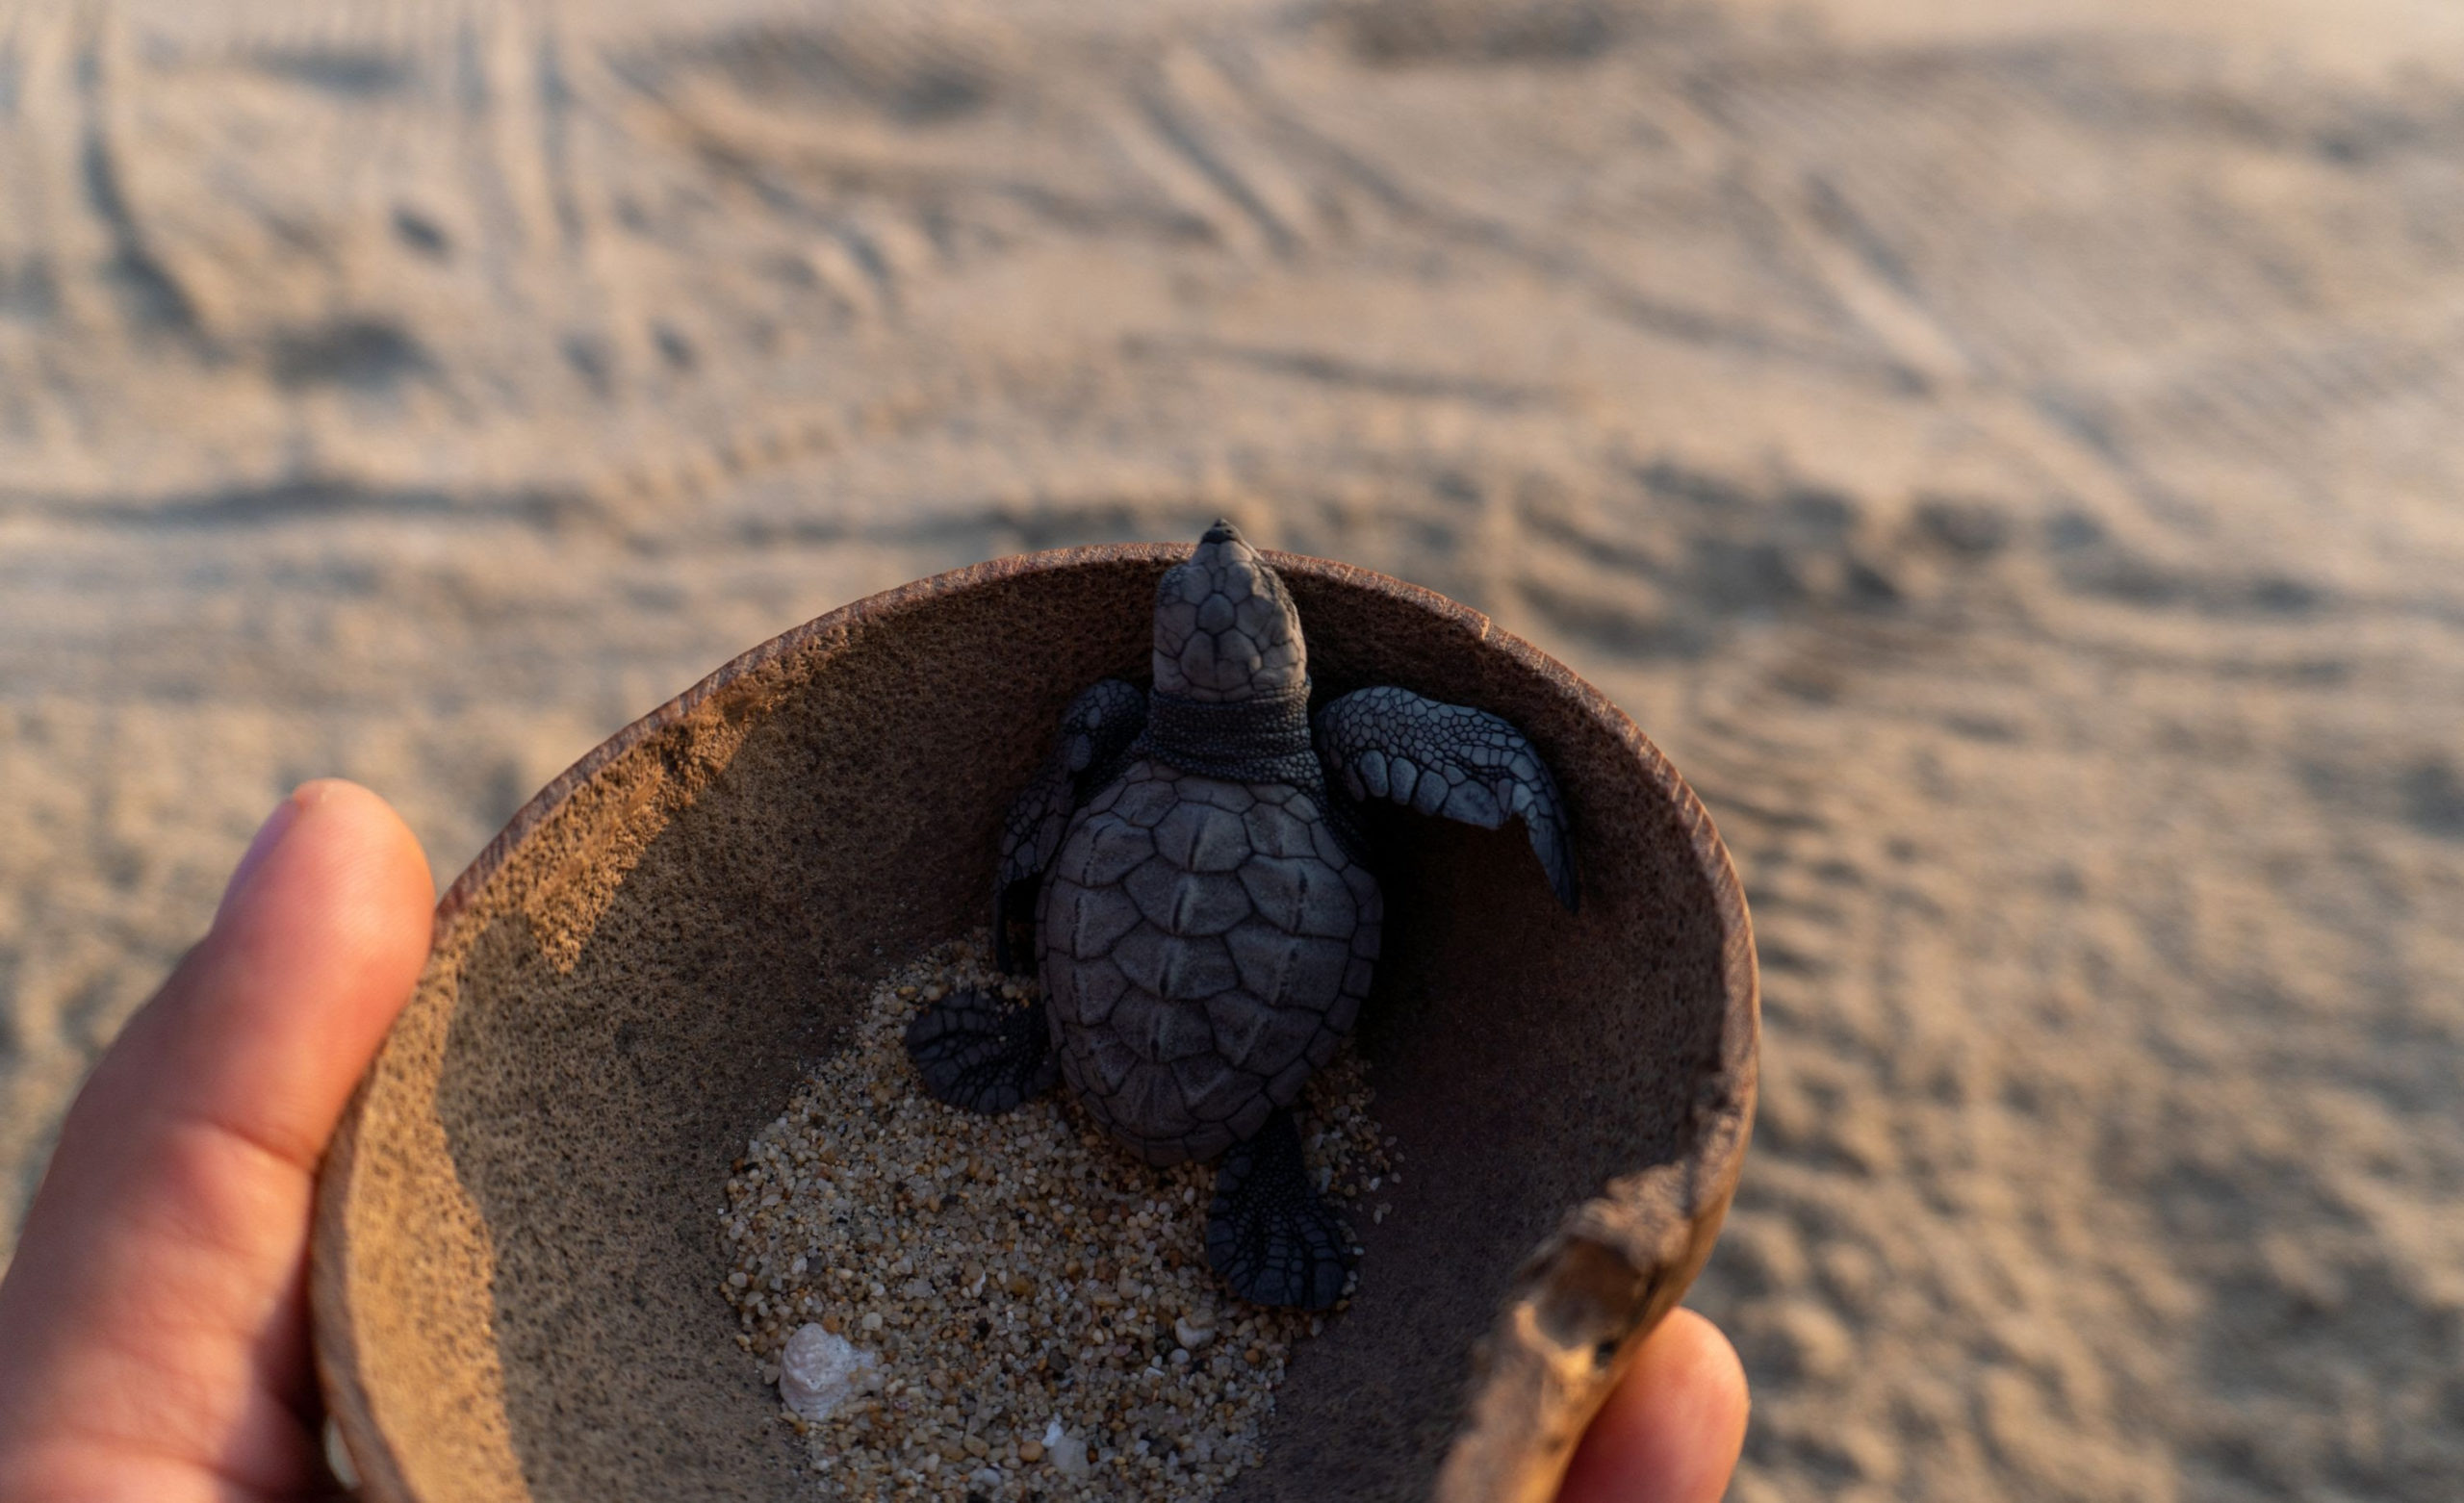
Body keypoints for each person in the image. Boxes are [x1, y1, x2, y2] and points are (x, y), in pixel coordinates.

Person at [0, 781, 1746, 1501]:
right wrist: (1513, 788)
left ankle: (1043, 1041)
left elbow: (1049, 825)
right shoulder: (1332, 757)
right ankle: (1252, 1161)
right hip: (1263, 1064)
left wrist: (1017, 930)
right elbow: (1440, 773)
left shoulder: (1112, 740)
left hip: (1074, 1019)